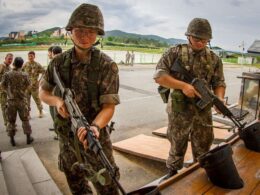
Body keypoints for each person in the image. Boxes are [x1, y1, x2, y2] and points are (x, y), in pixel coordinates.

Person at [39, 3, 120, 195]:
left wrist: (95, 127)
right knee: (77, 187)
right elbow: (43, 92)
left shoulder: (107, 65)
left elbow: (109, 107)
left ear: (98, 34)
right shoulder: (57, 64)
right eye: (80, 30)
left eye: (91, 31)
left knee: (108, 187)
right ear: (70, 31)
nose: (85, 36)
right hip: (67, 141)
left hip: (94, 140)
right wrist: (58, 102)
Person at [154, 18, 226, 181]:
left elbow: (219, 82)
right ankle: (172, 173)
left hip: (203, 111)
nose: (200, 43)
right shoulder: (175, 52)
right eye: (196, 39)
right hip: (179, 111)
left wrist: (219, 99)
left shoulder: (214, 59)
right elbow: (159, 76)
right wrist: (183, 86)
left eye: (204, 40)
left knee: (203, 147)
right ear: (188, 36)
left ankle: (200, 174)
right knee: (176, 144)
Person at [1, 57, 33, 146]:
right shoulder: (25, 74)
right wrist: (22, 91)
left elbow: (2, 86)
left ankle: (12, 139)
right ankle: (28, 137)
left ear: (13, 64)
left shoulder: (7, 75)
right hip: (22, 101)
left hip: (11, 101)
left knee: (11, 121)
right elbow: (29, 85)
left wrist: (8, 92)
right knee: (25, 120)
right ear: (22, 65)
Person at [22, 51, 45, 118]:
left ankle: (40, 112)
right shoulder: (25, 64)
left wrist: (40, 81)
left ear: (34, 56)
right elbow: (21, 72)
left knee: (37, 99)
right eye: (29, 56)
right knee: (26, 100)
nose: (30, 57)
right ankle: (28, 114)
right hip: (26, 86)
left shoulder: (37, 65)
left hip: (34, 86)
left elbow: (44, 72)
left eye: (31, 56)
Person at [0, 53, 13, 127]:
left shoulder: (9, 68)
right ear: (5, 58)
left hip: (8, 91)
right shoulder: (2, 66)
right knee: (4, 107)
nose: (10, 60)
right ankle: (7, 123)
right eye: (9, 59)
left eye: (11, 59)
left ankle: (9, 122)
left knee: (9, 107)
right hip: (2, 91)